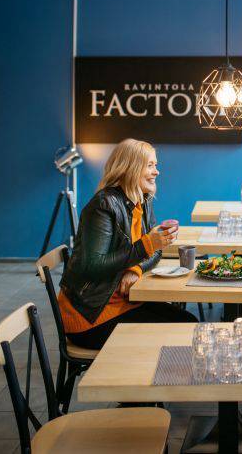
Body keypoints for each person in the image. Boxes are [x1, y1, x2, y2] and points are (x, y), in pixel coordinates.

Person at [58, 138, 197, 350]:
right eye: (150, 165)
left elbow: (154, 252)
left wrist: (135, 269)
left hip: (124, 301)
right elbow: (93, 265)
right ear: (130, 168)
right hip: (90, 316)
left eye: (155, 165)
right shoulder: (103, 206)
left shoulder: (142, 200)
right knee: (183, 331)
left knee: (190, 323)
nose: (157, 171)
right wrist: (147, 245)